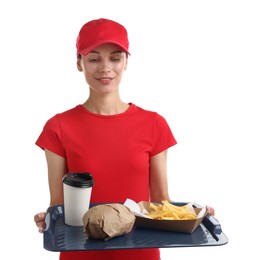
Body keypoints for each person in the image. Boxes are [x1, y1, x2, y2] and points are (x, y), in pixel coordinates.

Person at [34, 18, 215, 260]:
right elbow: (59, 206)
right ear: (79, 63)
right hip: (80, 253)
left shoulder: (154, 124)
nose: (105, 67)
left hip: (141, 252)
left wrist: (195, 216)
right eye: (94, 58)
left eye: (115, 58)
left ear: (126, 62)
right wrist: (48, 218)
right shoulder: (58, 127)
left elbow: (160, 202)